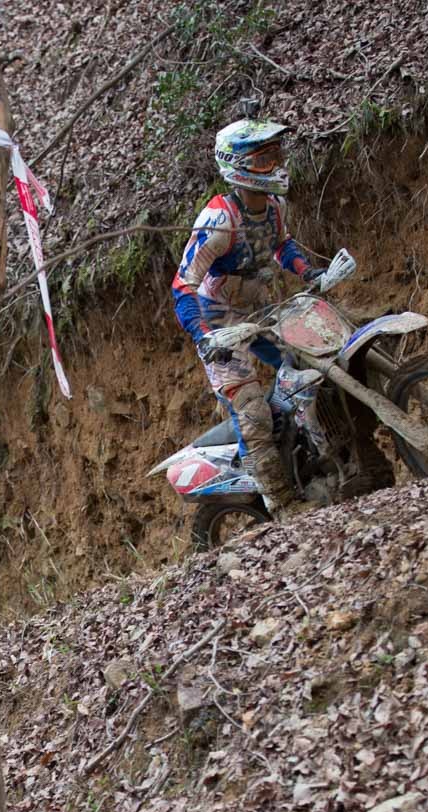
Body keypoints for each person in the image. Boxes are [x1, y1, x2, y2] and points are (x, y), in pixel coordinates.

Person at [171, 118, 323, 516]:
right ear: (237, 165)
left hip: (259, 311)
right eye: (263, 159)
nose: (274, 165)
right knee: (252, 411)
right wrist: (204, 335)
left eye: (276, 155)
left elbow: (281, 245)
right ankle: (283, 504)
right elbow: (182, 284)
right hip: (219, 322)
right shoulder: (218, 220)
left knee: (311, 362)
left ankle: (318, 453)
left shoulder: (274, 207)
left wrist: (309, 272)